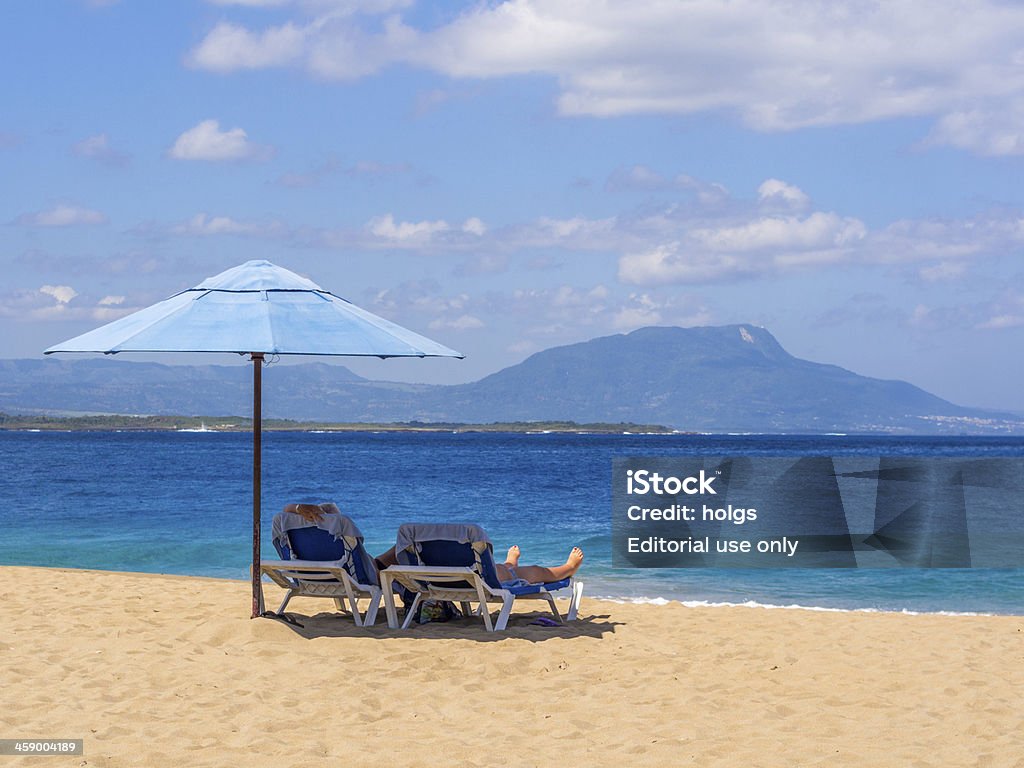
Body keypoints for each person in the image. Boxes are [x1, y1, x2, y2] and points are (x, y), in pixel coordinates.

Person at [284, 503, 584, 584]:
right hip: (441, 578)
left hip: (343, 575)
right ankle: (565, 569)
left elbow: (286, 515)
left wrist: (298, 509)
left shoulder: (311, 550)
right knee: (519, 573)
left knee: (401, 553)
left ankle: (510, 562)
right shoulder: (351, 554)